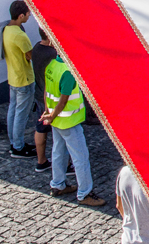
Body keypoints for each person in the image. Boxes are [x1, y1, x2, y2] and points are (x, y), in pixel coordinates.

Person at [41, 50, 104, 206]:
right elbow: (63, 101)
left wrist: (48, 113)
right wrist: (53, 114)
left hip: (56, 121)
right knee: (80, 157)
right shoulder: (68, 72)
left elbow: (46, 91)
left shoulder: (52, 65)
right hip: (69, 121)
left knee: (58, 152)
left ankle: (57, 184)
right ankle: (85, 193)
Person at [4, 0, 36, 159]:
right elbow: (30, 56)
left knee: (13, 111)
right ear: (21, 15)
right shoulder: (20, 35)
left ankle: (14, 142)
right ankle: (18, 147)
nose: (30, 15)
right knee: (21, 115)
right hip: (24, 79)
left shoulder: (6, 30)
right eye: (28, 13)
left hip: (13, 78)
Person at [30, 27, 57, 171]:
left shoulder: (36, 48)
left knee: (40, 129)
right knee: (59, 135)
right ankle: (64, 165)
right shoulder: (52, 54)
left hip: (39, 94)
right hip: (51, 98)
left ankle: (41, 161)